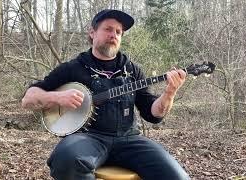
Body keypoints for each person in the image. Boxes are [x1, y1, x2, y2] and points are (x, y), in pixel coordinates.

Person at [22, 9, 190, 180]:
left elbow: (153, 114)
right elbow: (28, 99)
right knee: (66, 159)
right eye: (108, 29)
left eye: (118, 32)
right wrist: (57, 97)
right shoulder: (73, 68)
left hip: (129, 140)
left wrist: (169, 93)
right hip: (87, 139)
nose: (114, 35)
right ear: (92, 33)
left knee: (177, 176)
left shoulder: (132, 70)